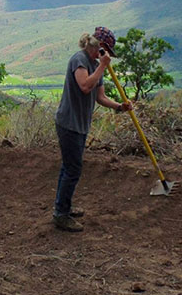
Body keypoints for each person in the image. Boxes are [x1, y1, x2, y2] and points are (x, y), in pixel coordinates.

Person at [52, 27, 131, 232]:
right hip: (68, 123)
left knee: (69, 167)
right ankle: (61, 214)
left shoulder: (95, 65)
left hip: (80, 124)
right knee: (73, 169)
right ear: (99, 47)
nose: (105, 56)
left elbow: (100, 97)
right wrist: (102, 67)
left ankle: (64, 206)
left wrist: (120, 107)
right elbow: (85, 86)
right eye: (105, 51)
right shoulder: (79, 60)